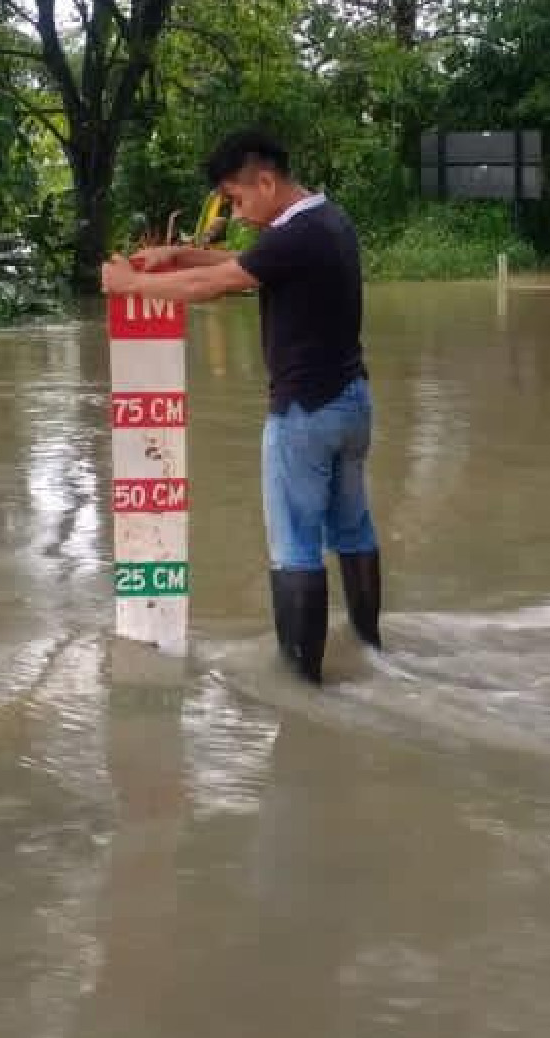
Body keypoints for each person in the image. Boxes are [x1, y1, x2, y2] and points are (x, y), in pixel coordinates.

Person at [100, 130, 382, 685]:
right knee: (352, 531)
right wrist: (179, 254)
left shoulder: (296, 235)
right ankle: (372, 650)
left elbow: (216, 284)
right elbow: (248, 263)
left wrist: (131, 284)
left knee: (295, 547)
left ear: (267, 182)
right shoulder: (328, 221)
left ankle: (302, 685)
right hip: (352, 404)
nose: (235, 212)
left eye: (236, 198)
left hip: (304, 414)